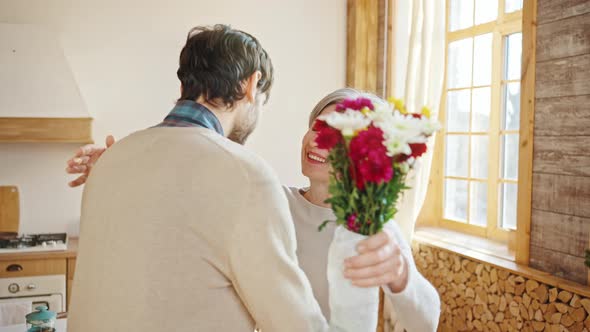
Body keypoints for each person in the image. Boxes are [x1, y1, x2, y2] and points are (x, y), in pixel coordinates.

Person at [68, 86, 441, 330]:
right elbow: (189, 195)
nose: (319, 140)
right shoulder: (267, 200)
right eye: (318, 125)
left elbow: (425, 321)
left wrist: (402, 276)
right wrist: (122, 165)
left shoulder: (374, 230)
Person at [68, 24, 333, 332]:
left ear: (185, 85)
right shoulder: (246, 175)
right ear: (251, 84)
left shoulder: (111, 161)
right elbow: (294, 322)